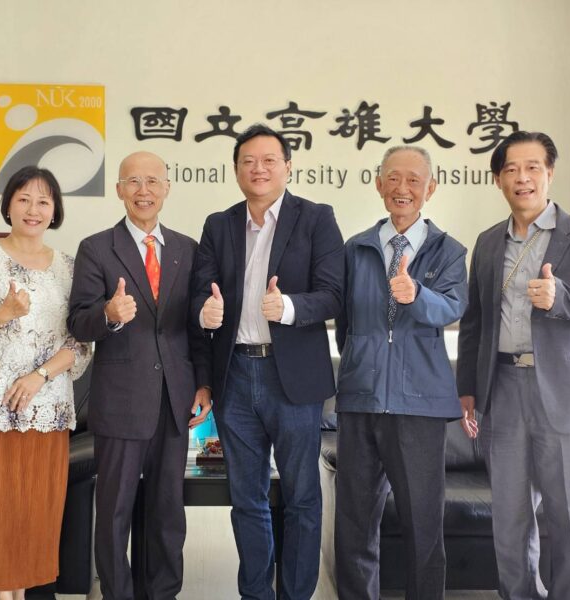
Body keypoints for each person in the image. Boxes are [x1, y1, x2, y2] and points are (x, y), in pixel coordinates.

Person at [456, 131, 570, 600]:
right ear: (498, 180)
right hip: (503, 389)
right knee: (508, 520)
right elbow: (474, 321)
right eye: (511, 169)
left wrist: (561, 297)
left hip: (565, 394)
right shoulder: (489, 242)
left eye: (532, 167)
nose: (522, 178)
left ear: (549, 173)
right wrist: (467, 388)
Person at [192, 124, 344, 600]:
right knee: (246, 498)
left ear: (288, 167)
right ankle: (255, 593)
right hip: (235, 375)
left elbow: (334, 294)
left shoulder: (316, 218)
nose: (258, 169)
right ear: (236, 170)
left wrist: (290, 307)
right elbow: (199, 291)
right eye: (248, 161)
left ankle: (296, 594)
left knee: (301, 497)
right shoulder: (219, 224)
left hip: (292, 376)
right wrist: (205, 310)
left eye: (269, 160)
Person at [67, 151, 212, 600]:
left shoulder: (188, 249)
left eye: (152, 181)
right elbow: (77, 322)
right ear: (119, 190)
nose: (143, 191)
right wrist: (108, 315)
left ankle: (163, 592)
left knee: (168, 511)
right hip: (121, 401)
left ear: (167, 188)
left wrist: (204, 383)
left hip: (174, 399)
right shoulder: (96, 248)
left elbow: (194, 326)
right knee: (115, 512)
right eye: (133, 182)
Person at [0, 166, 91, 600]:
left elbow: (80, 343)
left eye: (43, 201)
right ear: (8, 204)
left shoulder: (69, 267)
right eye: (24, 199)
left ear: (55, 210)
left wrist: (39, 376)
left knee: (35, 518)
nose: (33, 209)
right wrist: (3, 314)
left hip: (47, 409)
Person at [334, 145, 467, 600]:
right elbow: (345, 325)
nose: (402, 188)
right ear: (378, 184)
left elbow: (452, 307)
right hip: (361, 400)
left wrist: (416, 295)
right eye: (393, 178)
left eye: (414, 179)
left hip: (420, 405)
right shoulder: (356, 249)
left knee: (422, 525)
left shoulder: (449, 251)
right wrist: (360, 364)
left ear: (431, 188)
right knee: (354, 524)